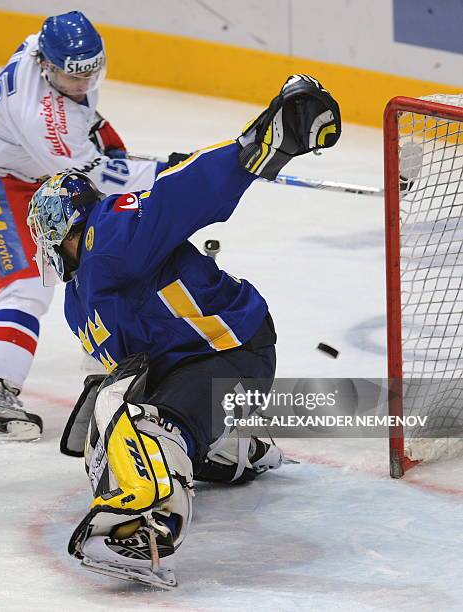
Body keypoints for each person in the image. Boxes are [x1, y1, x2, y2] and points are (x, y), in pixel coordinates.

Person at [27, 74, 341, 587]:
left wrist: (256, 146)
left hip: (234, 351)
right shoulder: (78, 301)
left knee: (147, 425)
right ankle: (236, 449)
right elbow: (123, 369)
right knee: (121, 417)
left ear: (62, 227)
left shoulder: (109, 237)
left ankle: (148, 531)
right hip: (195, 364)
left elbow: (179, 195)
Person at [0, 11, 181, 440]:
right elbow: (94, 177)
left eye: (90, 72)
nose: (84, 84)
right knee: (29, 283)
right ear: (47, 67)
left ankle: (110, 368)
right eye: (74, 78)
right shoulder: (43, 119)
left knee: (85, 251)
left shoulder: (46, 51)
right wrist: (170, 172)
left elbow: (84, 127)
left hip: (25, 169)